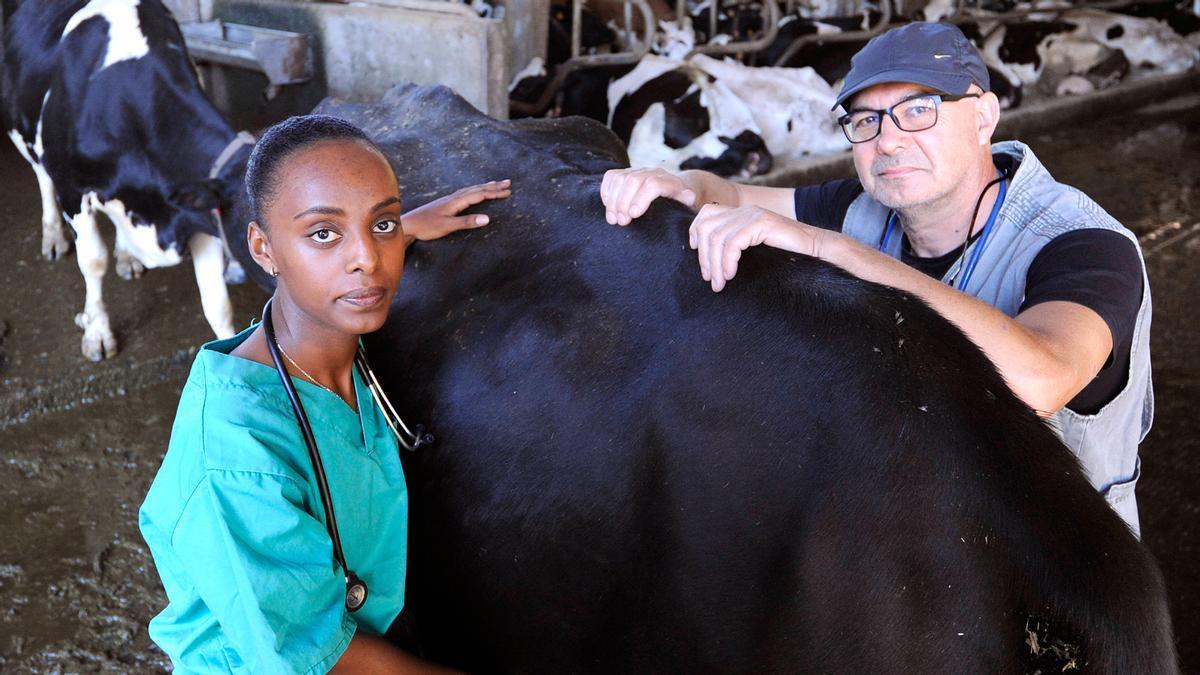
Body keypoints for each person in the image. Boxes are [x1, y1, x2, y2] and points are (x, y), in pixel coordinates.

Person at [599, 22, 1151, 536]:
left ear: (984, 117)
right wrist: (679, 186)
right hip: (917, 536)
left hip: (1056, 563)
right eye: (866, 122)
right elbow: (734, 193)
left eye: (918, 110)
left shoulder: (1083, 243)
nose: (887, 142)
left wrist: (828, 248)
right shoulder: (864, 207)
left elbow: (1041, 379)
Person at [138, 114, 511, 672]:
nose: (368, 260)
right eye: (323, 233)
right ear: (263, 250)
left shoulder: (326, 337)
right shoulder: (238, 459)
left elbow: (353, 252)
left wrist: (403, 226)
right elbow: (322, 662)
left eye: (380, 225)